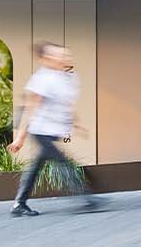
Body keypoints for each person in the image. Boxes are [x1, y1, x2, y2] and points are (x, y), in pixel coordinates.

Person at [9, 42, 102, 216]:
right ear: (46, 59)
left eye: (65, 54)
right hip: (40, 131)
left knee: (36, 167)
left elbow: (66, 105)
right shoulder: (41, 79)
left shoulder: (69, 78)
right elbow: (31, 109)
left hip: (53, 132)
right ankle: (87, 199)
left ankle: (19, 204)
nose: (64, 57)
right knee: (63, 162)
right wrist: (20, 138)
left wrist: (76, 123)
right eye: (58, 55)